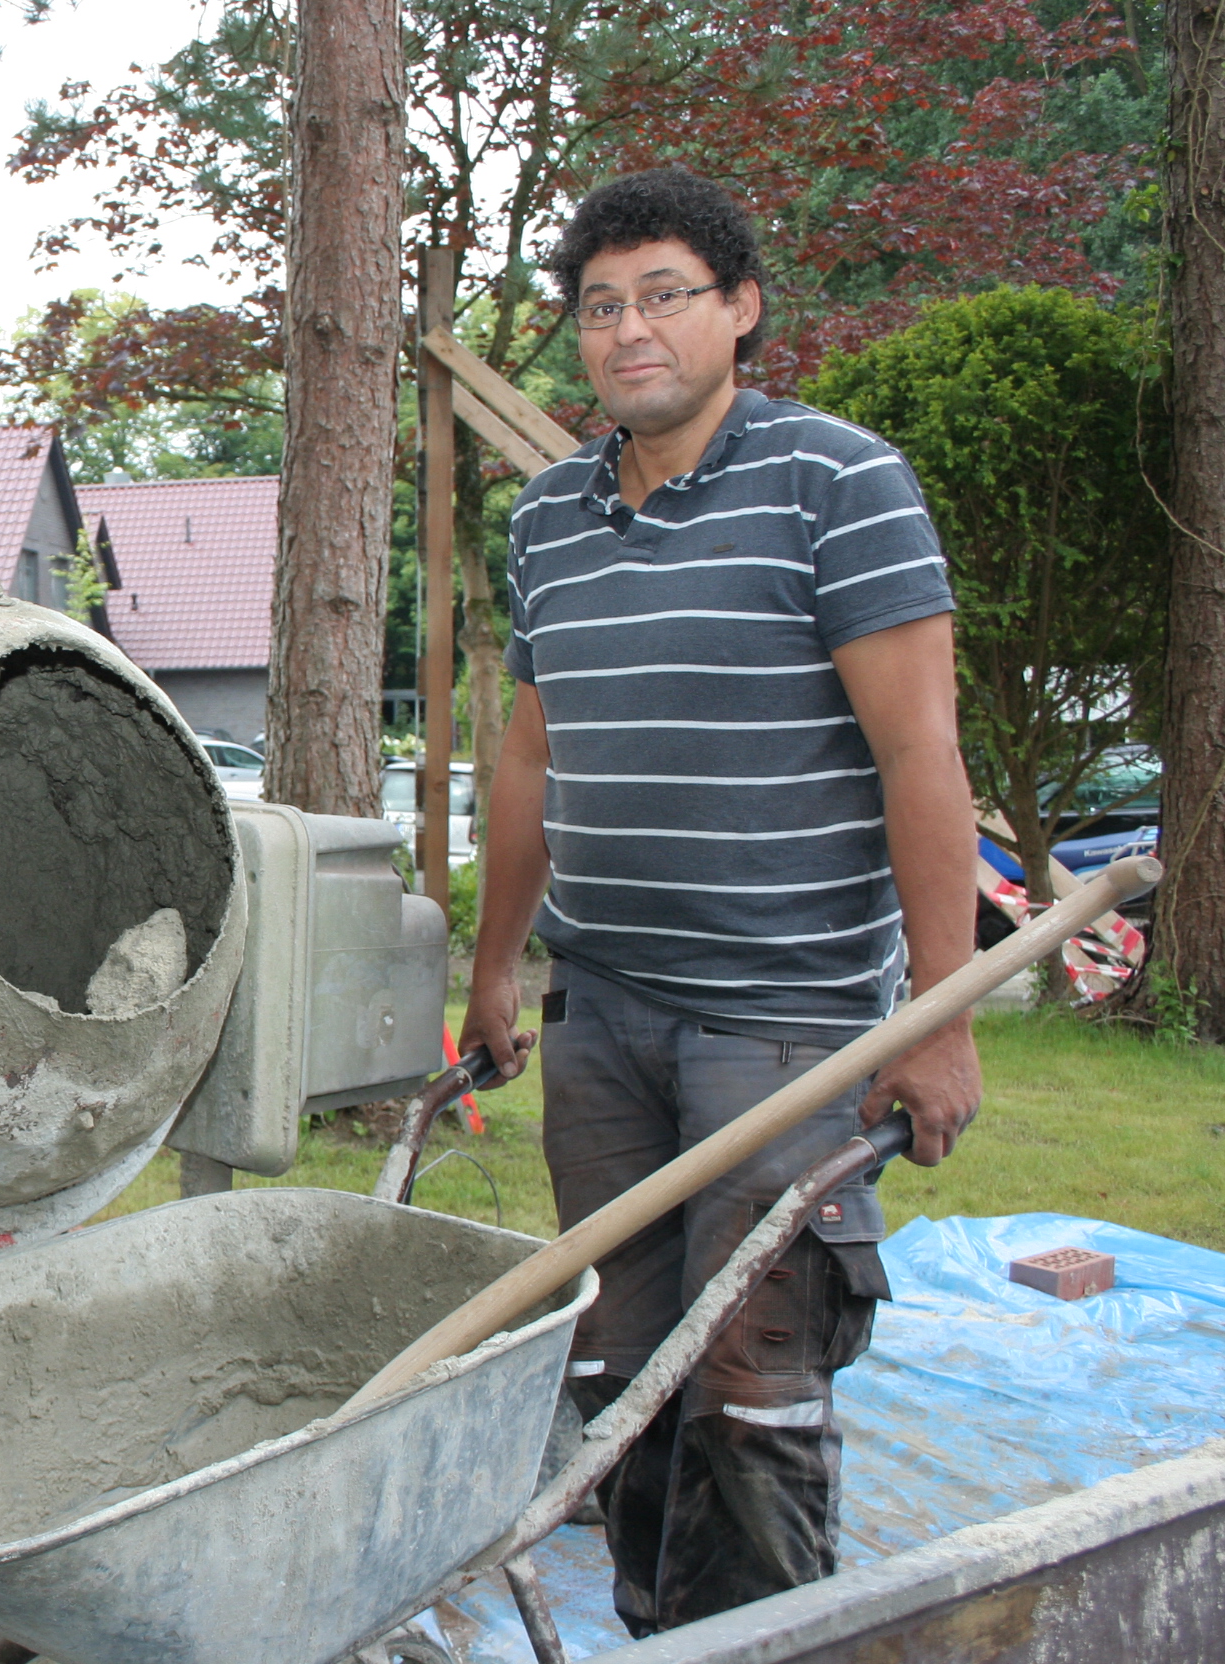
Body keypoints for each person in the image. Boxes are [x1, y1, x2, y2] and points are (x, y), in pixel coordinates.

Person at [457, 168, 982, 1636]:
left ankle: (763, 1639)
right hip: (604, 1014)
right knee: (619, 1369)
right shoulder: (551, 519)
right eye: (601, 305)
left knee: (753, 1380)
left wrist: (936, 1021)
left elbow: (918, 755)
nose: (630, 331)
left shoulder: (840, 483)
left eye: (666, 295)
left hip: (785, 1022)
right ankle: (654, 1622)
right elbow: (529, 759)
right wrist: (499, 974)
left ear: (741, 311)